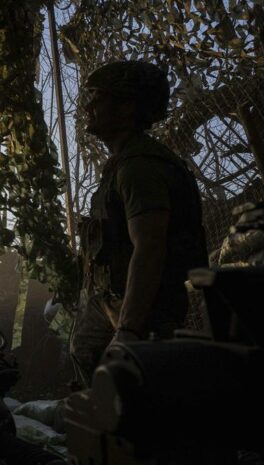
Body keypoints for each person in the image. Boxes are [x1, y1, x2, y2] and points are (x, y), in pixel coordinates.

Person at [70, 61, 208, 387]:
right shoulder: (122, 165)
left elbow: (149, 246)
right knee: (87, 357)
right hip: (112, 299)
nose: (89, 107)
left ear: (125, 108)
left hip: (145, 308)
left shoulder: (139, 168)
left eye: (98, 99)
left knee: (137, 394)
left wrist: (128, 330)